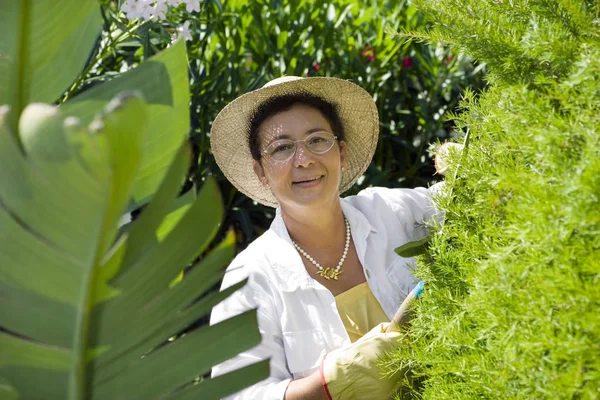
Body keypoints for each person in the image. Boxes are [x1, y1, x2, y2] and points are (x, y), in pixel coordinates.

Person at [209, 76, 445, 400]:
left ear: (342, 152)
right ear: (261, 171)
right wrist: (332, 382)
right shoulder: (250, 279)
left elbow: (464, 200)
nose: (304, 159)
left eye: (317, 140)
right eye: (282, 148)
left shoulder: (391, 212)